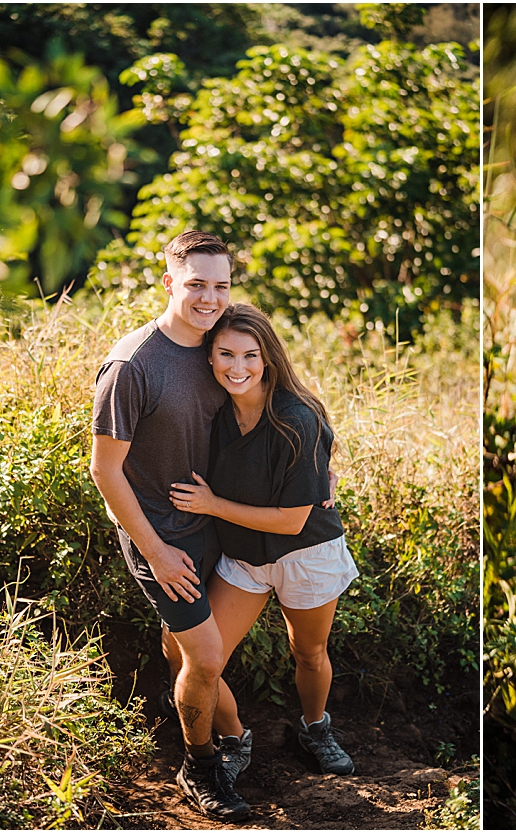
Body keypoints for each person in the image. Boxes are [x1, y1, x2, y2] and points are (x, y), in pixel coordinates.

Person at [90, 231, 251, 821]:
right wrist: (155, 550)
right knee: (207, 657)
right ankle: (201, 764)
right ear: (169, 284)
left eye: (221, 286)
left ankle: (190, 707)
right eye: (196, 285)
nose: (210, 299)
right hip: (159, 535)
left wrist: (322, 468)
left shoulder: (225, 346)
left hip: (212, 522)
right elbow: (105, 471)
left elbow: (282, 401)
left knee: (185, 646)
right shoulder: (133, 365)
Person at [167, 303, 359, 780]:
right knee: (186, 651)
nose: (238, 368)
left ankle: (315, 728)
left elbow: (293, 522)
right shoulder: (211, 411)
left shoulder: (296, 418)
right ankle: (235, 736)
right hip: (244, 558)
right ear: (208, 357)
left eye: (250, 355)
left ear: (268, 357)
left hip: (306, 555)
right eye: (225, 354)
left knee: (308, 652)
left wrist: (211, 505)